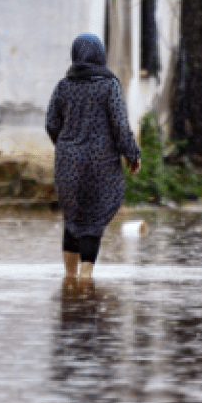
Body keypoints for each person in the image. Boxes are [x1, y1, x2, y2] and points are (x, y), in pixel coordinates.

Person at [46, 34, 141, 280]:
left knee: (73, 216)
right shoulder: (109, 86)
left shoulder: (63, 86)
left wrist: (67, 146)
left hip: (68, 164)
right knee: (93, 220)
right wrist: (132, 154)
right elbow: (120, 126)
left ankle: (69, 280)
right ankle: (86, 280)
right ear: (100, 55)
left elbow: (51, 123)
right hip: (102, 165)